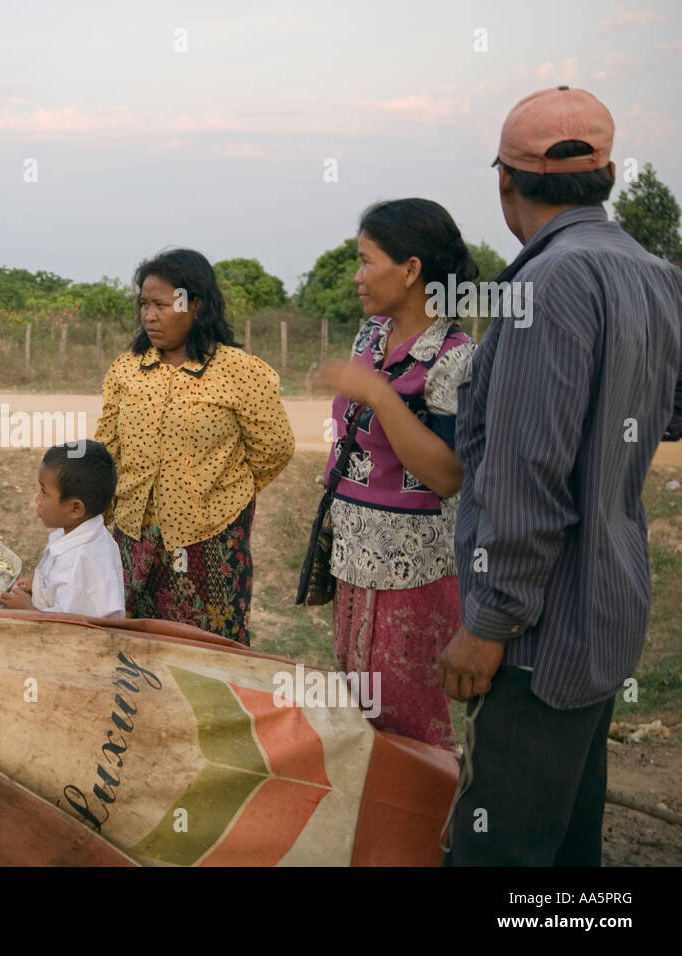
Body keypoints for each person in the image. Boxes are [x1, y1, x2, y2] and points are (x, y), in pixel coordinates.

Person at [440, 87, 682, 865]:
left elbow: (526, 475)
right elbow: (666, 415)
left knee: (499, 849)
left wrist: (489, 625)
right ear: (607, 174)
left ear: (504, 182)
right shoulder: (653, 272)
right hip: (605, 610)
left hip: (536, 636)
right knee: (568, 843)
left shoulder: (538, 288)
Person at [315, 199, 478, 750]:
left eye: (367, 261)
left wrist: (381, 396)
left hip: (416, 576)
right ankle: (377, 830)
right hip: (356, 563)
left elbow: (448, 474)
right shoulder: (370, 336)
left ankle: (421, 832)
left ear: (411, 271)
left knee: (411, 726)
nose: (357, 277)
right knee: (362, 723)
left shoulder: (455, 358)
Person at [95, 249, 294, 645]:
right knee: (132, 650)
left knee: (206, 656)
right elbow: (107, 449)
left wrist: (219, 490)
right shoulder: (127, 370)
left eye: (161, 305)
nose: (149, 316)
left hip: (211, 544)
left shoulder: (239, 371)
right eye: (144, 305)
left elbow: (274, 447)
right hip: (133, 541)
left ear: (196, 304)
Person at [0, 440, 125, 618]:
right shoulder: (80, 531)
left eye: (44, 491)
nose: (37, 499)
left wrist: (27, 611)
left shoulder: (79, 562)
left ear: (75, 509)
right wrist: (39, 585)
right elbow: (62, 586)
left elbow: (69, 628)